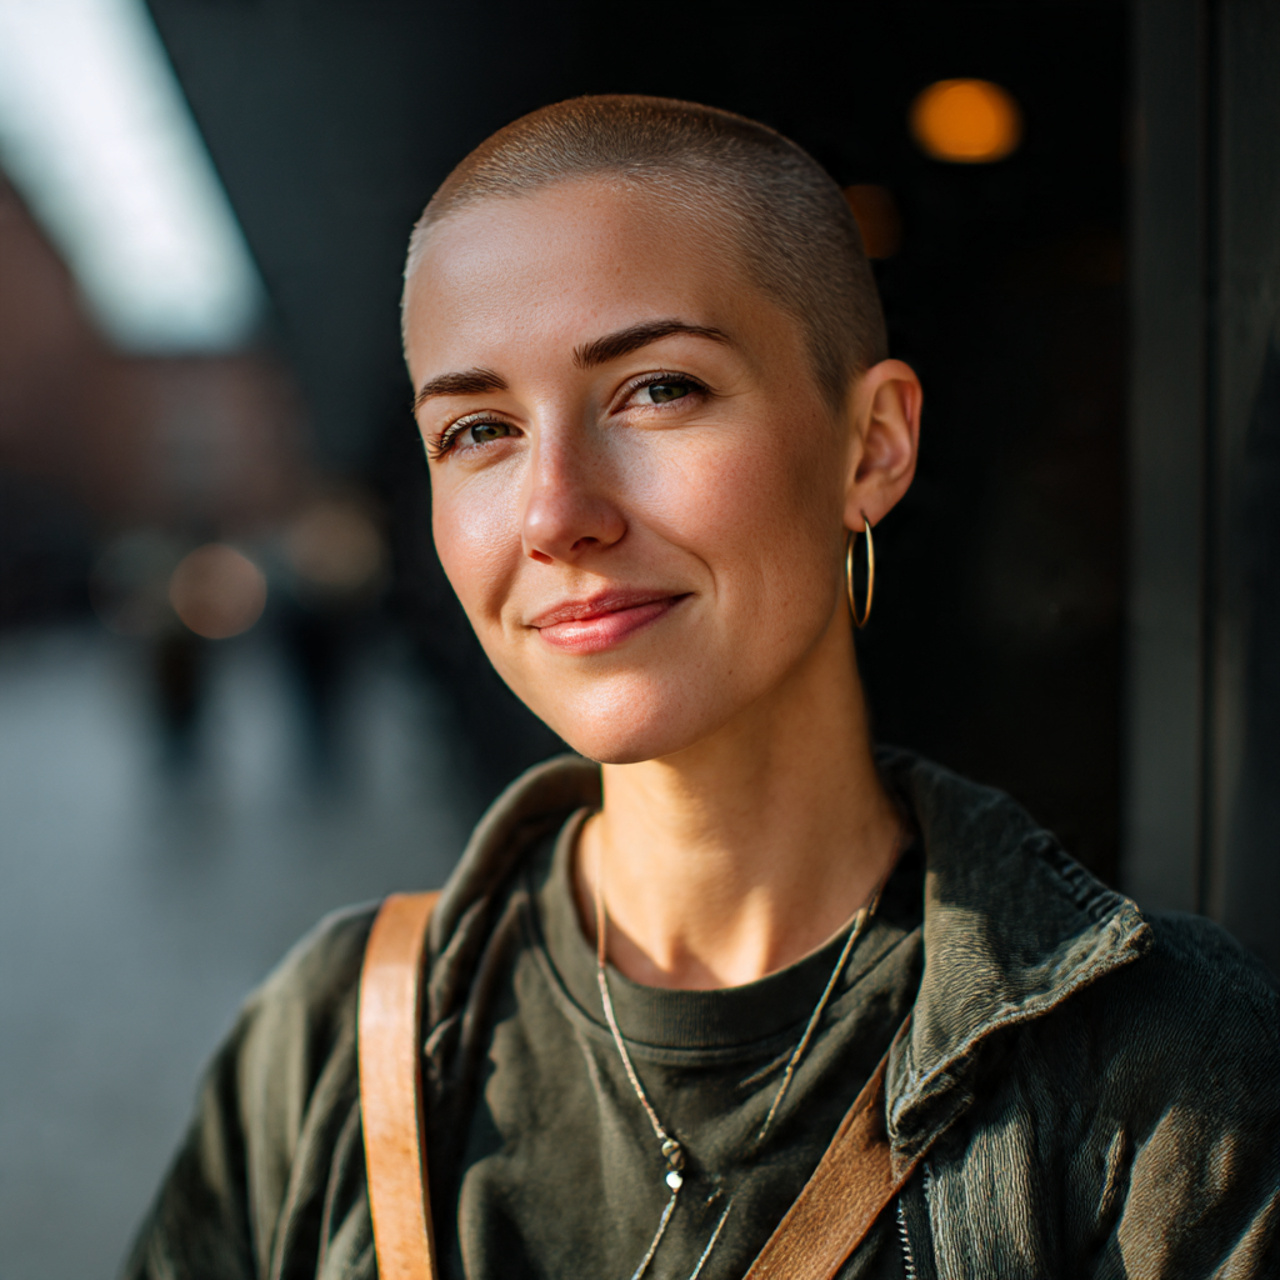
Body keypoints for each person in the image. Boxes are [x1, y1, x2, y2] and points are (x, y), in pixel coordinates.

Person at [123, 96, 1280, 1280]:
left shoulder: (1157, 1076)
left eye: (657, 389)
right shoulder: (329, 1043)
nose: (556, 513)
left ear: (870, 443)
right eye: (477, 428)